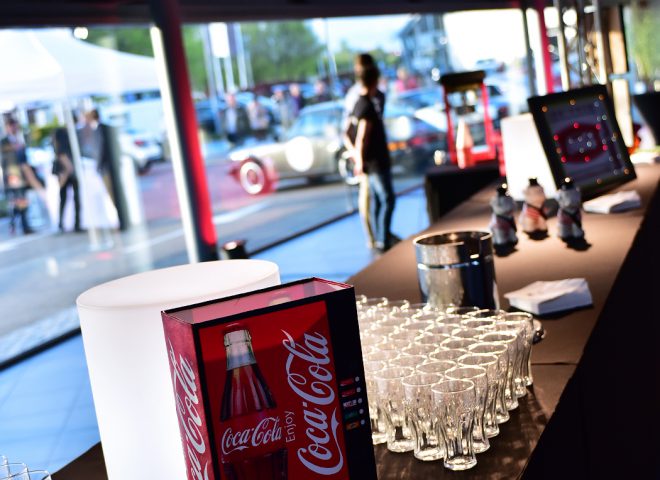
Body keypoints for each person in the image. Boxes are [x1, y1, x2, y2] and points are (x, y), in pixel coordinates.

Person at [343, 53, 386, 249]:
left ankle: (380, 235)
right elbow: (351, 132)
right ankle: (373, 238)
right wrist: (357, 156)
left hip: (373, 154)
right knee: (368, 198)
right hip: (365, 157)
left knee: (379, 198)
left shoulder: (377, 95)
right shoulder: (357, 98)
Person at [352, 65, 397, 253]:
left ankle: (381, 237)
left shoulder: (364, 103)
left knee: (380, 200)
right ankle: (383, 238)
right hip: (375, 162)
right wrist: (360, 160)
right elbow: (362, 136)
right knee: (387, 198)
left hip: (374, 161)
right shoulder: (366, 106)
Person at [1, 118, 42, 234]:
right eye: (12, 126)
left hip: (22, 176)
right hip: (13, 177)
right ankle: (19, 225)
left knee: (21, 202)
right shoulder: (5, 142)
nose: (14, 129)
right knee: (18, 202)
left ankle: (19, 225)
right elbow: (5, 158)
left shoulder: (19, 141)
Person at [52, 127, 82, 232]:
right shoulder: (65, 137)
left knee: (65, 199)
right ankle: (75, 224)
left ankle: (63, 223)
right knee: (74, 199)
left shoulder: (58, 140)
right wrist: (70, 168)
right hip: (67, 172)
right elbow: (62, 155)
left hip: (64, 172)